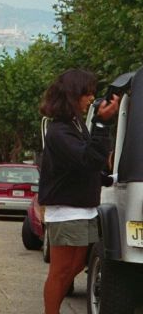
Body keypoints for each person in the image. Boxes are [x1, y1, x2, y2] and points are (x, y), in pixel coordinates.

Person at [38, 69, 120, 314]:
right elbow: (88, 159)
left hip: (82, 209)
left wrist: (106, 179)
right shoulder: (59, 131)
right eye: (87, 93)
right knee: (60, 272)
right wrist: (102, 123)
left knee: (73, 268)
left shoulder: (74, 126)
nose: (91, 98)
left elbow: (85, 167)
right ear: (74, 95)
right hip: (66, 212)